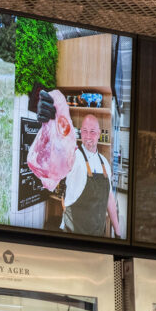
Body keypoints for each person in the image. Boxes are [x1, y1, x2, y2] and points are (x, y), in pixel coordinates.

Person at [37, 91, 123, 238]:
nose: (88, 136)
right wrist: (49, 123)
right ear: (81, 133)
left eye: (92, 131)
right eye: (85, 131)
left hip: (97, 235)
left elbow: (109, 198)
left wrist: (118, 231)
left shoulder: (105, 164)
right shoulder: (74, 155)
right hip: (73, 234)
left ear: (99, 134)